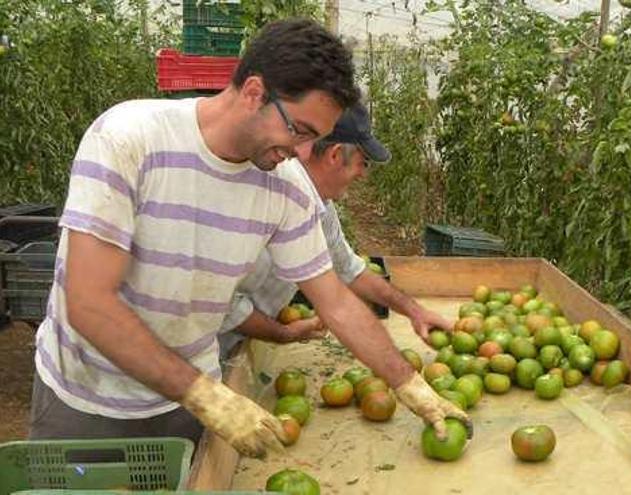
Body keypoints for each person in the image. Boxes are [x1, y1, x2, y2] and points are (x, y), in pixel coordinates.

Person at [29, 18, 470, 459]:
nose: (301, 153)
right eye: (299, 130)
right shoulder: (129, 139)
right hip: (85, 399)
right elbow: (87, 302)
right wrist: (205, 395)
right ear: (254, 92)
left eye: (315, 138)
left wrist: (409, 385)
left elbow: (335, 300)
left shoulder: (286, 185)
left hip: (188, 405)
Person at [218, 103, 453, 358]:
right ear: (335, 154)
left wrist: (414, 311)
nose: (363, 175)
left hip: (240, 345)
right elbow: (225, 303)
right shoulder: (270, 200)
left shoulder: (321, 205)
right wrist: (282, 333)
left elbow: (348, 269)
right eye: (363, 163)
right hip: (202, 353)